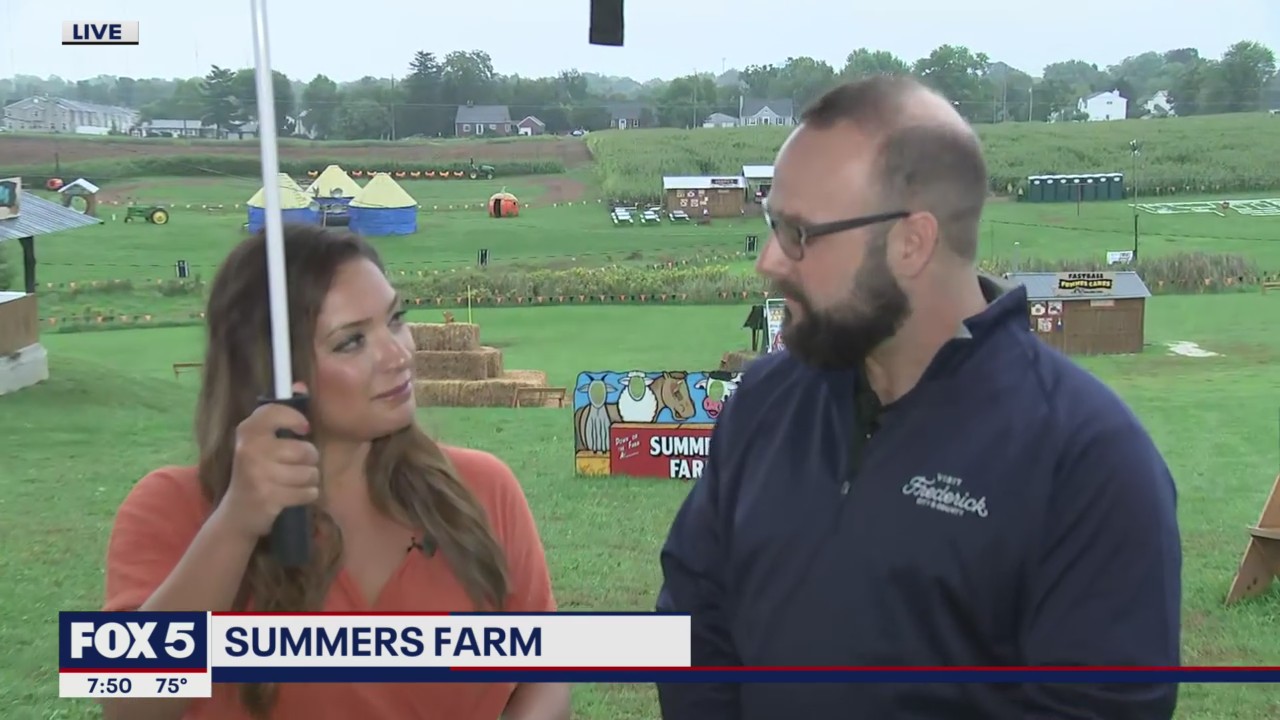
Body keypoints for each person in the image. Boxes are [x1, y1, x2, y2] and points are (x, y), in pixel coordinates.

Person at [655, 75, 1182, 719]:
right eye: (772, 225)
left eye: (798, 233)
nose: (770, 260)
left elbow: (1099, 705)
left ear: (912, 241)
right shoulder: (764, 402)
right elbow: (692, 615)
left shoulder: (1088, 460)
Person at [99, 225, 570, 720]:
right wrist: (235, 526)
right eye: (351, 342)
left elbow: (544, 675)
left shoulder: (481, 489)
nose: (399, 354)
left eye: (396, 319)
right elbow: (130, 707)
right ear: (270, 370)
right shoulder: (173, 508)